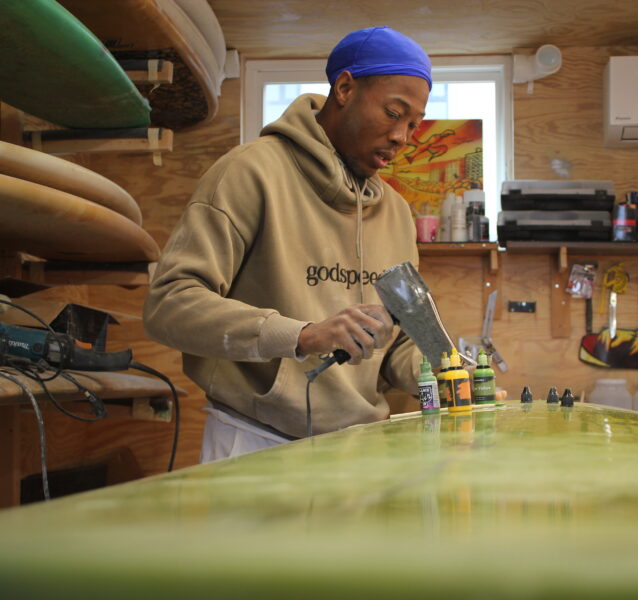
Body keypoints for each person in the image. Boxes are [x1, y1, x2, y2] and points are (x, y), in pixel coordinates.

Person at [143, 26, 430, 462]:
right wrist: (302, 335)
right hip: (255, 438)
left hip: (358, 451)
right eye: (394, 113)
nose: (401, 137)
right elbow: (170, 305)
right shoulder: (250, 172)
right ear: (345, 88)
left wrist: (441, 375)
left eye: (413, 124)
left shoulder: (396, 213)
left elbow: (397, 343)